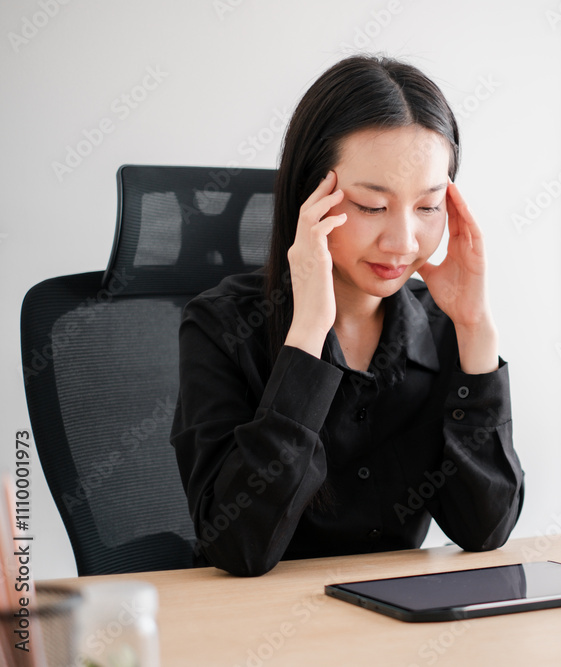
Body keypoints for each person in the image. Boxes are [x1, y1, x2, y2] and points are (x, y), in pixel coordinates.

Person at [169, 55, 524, 577]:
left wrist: (475, 331)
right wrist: (308, 337)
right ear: (311, 199)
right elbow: (238, 549)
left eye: (427, 207)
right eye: (371, 206)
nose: (403, 241)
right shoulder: (222, 328)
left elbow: (484, 529)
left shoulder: (446, 327)